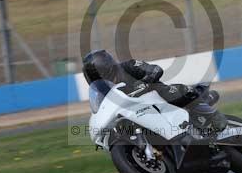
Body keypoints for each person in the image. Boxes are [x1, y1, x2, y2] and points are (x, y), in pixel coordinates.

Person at [82, 50, 226, 133]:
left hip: (156, 95)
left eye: (95, 72)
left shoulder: (128, 66)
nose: (94, 76)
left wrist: (148, 78)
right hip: (135, 111)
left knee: (176, 92)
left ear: (104, 66)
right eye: (91, 74)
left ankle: (213, 115)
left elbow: (155, 69)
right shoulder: (103, 89)